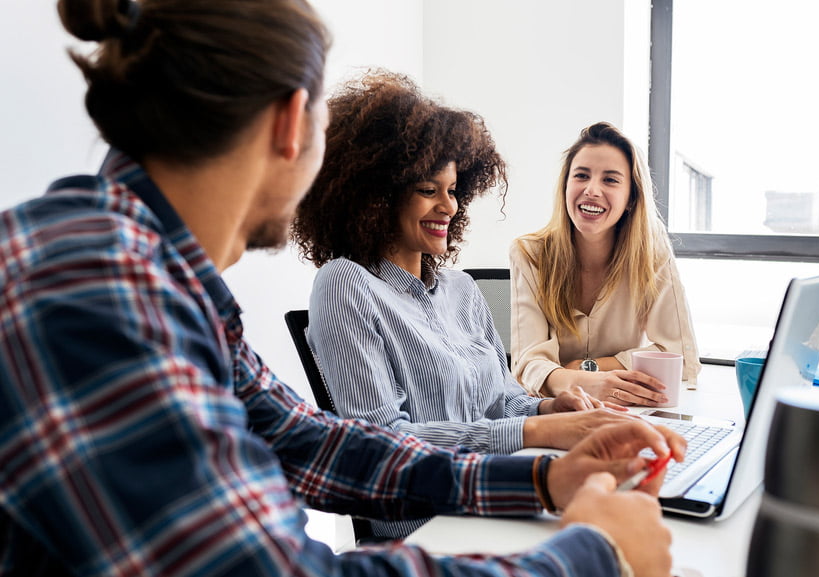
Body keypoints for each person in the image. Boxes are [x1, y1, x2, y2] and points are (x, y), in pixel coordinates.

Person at [0, 2, 684, 576]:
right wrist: (592, 552)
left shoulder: (156, 274)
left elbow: (307, 441)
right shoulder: (94, 285)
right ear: (294, 122)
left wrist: (539, 478)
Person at [291, 71, 650, 538]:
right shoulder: (346, 285)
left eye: (454, 190)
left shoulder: (461, 290)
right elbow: (382, 446)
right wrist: (535, 434)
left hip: (493, 496)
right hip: (427, 526)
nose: (449, 206)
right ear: (376, 195)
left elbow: (500, 398)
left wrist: (546, 410)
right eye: (428, 190)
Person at [510, 121, 702, 406]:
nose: (591, 190)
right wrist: (591, 383)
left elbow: (681, 357)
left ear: (630, 198)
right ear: (565, 186)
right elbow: (528, 365)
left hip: (625, 408)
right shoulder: (530, 253)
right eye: (581, 176)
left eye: (610, 180)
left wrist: (585, 368)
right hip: (557, 409)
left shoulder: (652, 251)